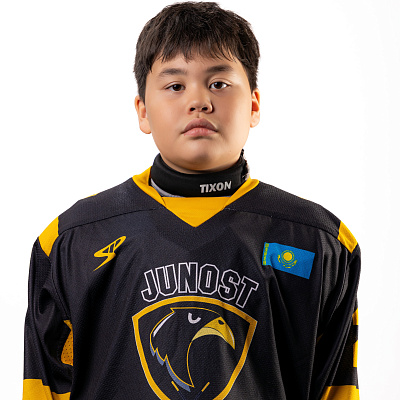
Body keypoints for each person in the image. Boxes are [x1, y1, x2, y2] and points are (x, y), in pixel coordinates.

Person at [23, 2, 360, 399]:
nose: (199, 101)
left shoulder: (320, 242)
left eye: (218, 83)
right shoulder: (71, 240)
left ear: (253, 105)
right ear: (143, 110)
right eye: (175, 86)